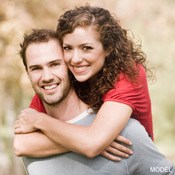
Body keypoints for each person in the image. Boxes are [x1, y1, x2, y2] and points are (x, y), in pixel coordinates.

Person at [14, 29, 175, 175]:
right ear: (28, 74)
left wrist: (97, 139)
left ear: (71, 67)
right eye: (36, 68)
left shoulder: (124, 132)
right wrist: (87, 141)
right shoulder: (32, 142)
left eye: (55, 64)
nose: (47, 76)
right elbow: (19, 146)